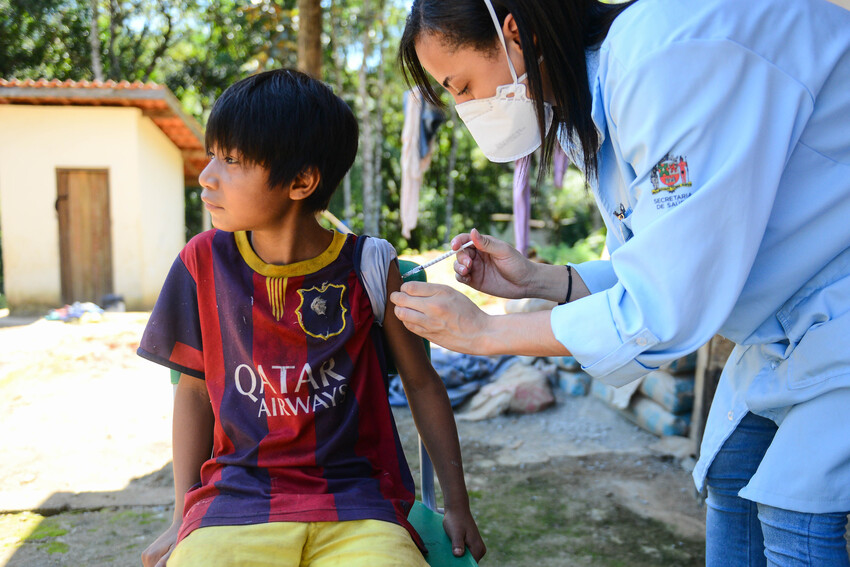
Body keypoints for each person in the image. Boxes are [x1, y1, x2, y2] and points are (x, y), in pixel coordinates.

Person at [392, 0, 850, 565]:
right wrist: (544, 279)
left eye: (461, 86)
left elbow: (664, 306)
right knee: (731, 471)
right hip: (799, 306)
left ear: (515, 33)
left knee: (795, 509)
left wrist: (484, 333)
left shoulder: (663, 61)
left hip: (834, 297)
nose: (465, 109)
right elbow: (658, 263)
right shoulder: (596, 102)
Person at [138, 68, 485, 567]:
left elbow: (421, 382)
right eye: (213, 154)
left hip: (360, 503)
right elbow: (192, 391)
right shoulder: (201, 263)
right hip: (236, 498)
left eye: (231, 160)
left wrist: (458, 505)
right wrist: (180, 518)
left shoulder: (370, 265)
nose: (206, 175)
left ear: (301, 181)